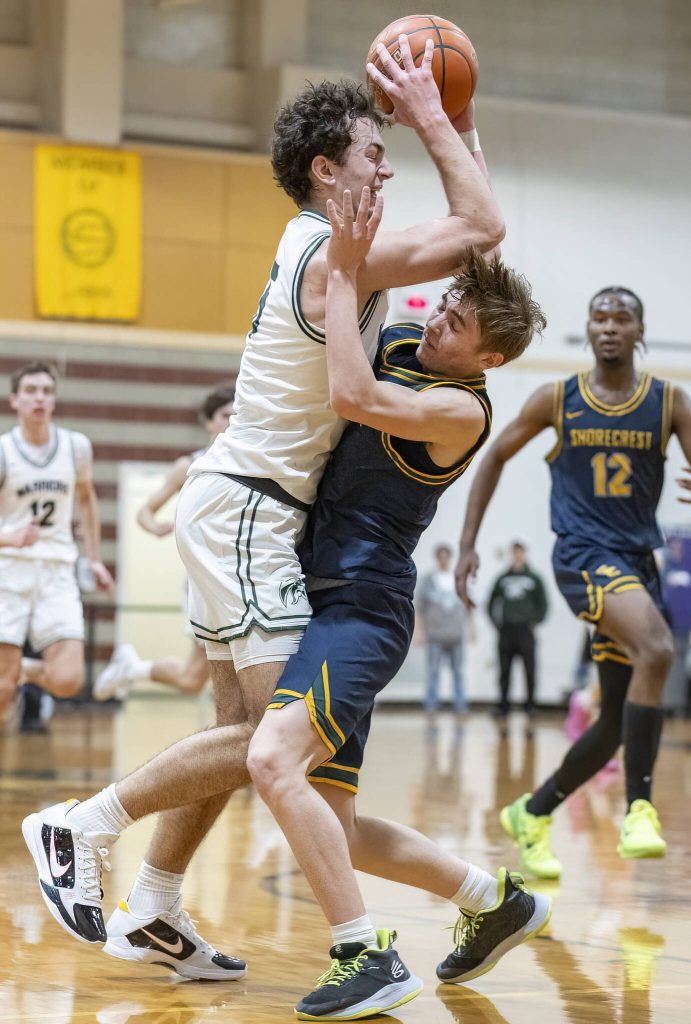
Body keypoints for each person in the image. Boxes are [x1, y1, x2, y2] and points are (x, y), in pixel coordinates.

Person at [22, 38, 504, 1007]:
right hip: (248, 510)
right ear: (328, 170)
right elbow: (482, 225)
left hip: (240, 507)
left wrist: (446, 125)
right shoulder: (338, 254)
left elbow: (473, 240)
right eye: (375, 150)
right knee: (268, 742)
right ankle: (84, 824)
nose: (389, 162)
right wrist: (437, 112)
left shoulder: (330, 247)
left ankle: (156, 899)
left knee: (247, 728)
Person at [246, 189, 549, 1019]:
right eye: (448, 299)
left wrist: (341, 272)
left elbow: (352, 395)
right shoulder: (415, 340)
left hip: (361, 606)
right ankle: (494, 901)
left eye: (460, 321)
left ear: (487, 360)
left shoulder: (460, 412)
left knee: (270, 761)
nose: (441, 314)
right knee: (333, 826)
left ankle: (363, 956)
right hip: (328, 596)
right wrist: (442, 117)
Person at [455, 285, 691, 878]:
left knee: (614, 720)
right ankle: (640, 806)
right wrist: (466, 547)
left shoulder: (670, 404)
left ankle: (531, 814)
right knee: (658, 649)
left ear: (641, 330)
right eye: (599, 317)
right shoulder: (557, 399)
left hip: (638, 563)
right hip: (584, 555)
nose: (609, 326)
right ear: (587, 330)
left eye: (622, 318)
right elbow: (494, 456)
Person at [93, 385, 235, 701]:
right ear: (208, 422)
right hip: (205, 579)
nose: (233, 421)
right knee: (202, 676)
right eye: (226, 415)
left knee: (195, 678)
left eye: (239, 414)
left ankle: (133, 669)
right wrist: (154, 526)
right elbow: (144, 511)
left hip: (240, 574)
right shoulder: (190, 465)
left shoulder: (250, 462)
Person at [0, 362, 113, 725]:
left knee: (67, 681)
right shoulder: (4, 451)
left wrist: (94, 559)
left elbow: (86, 500)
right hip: (9, 568)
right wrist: (8, 536)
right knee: (2, 693)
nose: (40, 398)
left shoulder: (76, 447)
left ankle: (23, 668)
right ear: (14, 400)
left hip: (57, 569)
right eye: (31, 391)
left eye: (47, 391)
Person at [486, 541, 548, 716]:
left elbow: (543, 603)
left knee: (530, 670)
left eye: (520, 552)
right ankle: (503, 705)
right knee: (504, 670)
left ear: (525, 553)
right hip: (506, 630)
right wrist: (496, 623)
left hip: (525, 630)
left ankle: (530, 705)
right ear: (511, 554)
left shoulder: (534, 578)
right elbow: (491, 602)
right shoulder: (503, 578)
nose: (517, 555)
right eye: (515, 552)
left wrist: (535, 621)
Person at [416, 542, 469, 713]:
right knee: (432, 672)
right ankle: (431, 705)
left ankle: (460, 705)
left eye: (447, 556)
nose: (444, 560)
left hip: (456, 634)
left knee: (458, 672)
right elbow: (420, 609)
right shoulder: (428, 580)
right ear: (437, 558)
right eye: (441, 556)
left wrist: (472, 628)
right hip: (435, 635)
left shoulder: (458, 579)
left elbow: (469, 605)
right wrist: (419, 632)